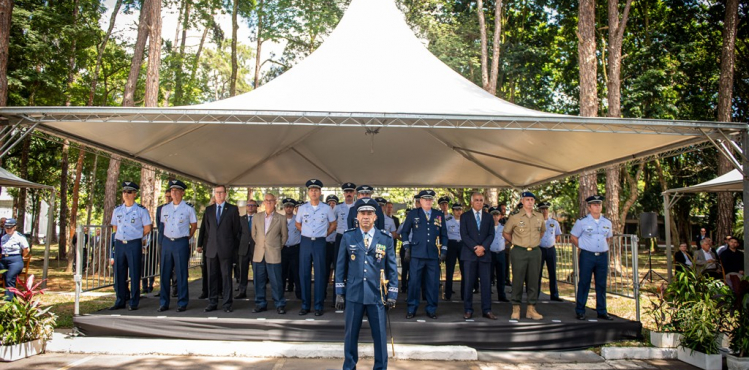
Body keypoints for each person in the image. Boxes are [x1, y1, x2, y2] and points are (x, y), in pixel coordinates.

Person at [335, 198, 398, 370]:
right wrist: (340, 291)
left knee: (379, 336)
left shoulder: (385, 238)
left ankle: (380, 367)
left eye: (369, 213)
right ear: (357, 216)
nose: (366, 217)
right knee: (350, 336)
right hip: (353, 294)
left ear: (375, 217)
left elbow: (392, 268)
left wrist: (392, 294)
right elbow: (340, 266)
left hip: (377, 295)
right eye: (362, 213)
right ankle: (349, 366)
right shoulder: (348, 236)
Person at [400, 189, 447, 319]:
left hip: (432, 255)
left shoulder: (439, 215)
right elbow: (404, 232)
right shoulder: (413, 214)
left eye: (430, 199)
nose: (428, 201)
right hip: (416, 254)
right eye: (425, 199)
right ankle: (411, 308)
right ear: (420, 201)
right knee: (414, 283)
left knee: (432, 283)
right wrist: (407, 247)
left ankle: (431, 309)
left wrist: (444, 251)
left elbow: (444, 235)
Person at [295, 179, 337, 316]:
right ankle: (305, 305)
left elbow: (333, 224)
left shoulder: (326, 208)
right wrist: (305, 232)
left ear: (320, 192)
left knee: (320, 274)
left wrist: (325, 234)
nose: (314, 192)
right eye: (311, 190)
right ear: (308, 192)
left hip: (320, 242)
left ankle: (319, 306)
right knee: (304, 273)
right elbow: (297, 224)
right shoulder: (302, 208)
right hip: (306, 242)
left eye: (316, 190)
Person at [198, 185, 242, 313]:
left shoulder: (232, 209)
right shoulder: (209, 210)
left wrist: (229, 244)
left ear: (225, 194)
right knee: (212, 277)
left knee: (226, 277)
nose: (219, 194)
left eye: (221, 192)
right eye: (217, 192)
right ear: (214, 194)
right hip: (211, 250)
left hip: (226, 249)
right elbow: (207, 230)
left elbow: (236, 230)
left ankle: (227, 304)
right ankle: (212, 302)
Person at [109, 181, 152, 311]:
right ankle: (120, 299)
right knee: (119, 273)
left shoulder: (141, 210)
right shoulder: (117, 210)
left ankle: (134, 301)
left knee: (134, 273)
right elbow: (115, 226)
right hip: (120, 244)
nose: (126, 194)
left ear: (134, 194)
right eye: (124, 192)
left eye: (129, 192)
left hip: (134, 243)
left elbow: (147, 227)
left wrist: (137, 235)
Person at [503, 191, 545, 321]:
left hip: (535, 251)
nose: (530, 202)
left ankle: (531, 309)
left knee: (533, 280)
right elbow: (506, 233)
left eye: (532, 200)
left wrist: (533, 242)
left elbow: (542, 231)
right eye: (527, 200)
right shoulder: (515, 217)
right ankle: (516, 308)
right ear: (522, 201)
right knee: (518, 279)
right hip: (519, 251)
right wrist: (516, 242)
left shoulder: (539, 216)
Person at [571, 194, 613, 321]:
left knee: (601, 284)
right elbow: (573, 237)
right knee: (584, 282)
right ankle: (580, 310)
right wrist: (583, 246)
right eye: (595, 205)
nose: (597, 207)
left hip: (602, 256)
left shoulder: (607, 222)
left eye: (599, 204)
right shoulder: (582, 222)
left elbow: (608, 237)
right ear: (589, 207)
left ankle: (602, 311)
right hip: (587, 255)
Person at [157, 180, 198, 312]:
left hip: (181, 242)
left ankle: (182, 302)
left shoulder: (188, 208)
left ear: (182, 192)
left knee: (181, 273)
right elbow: (163, 225)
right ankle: (164, 302)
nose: (173, 193)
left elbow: (194, 226)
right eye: (172, 190)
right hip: (167, 242)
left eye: (176, 190)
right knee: (164, 273)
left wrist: (187, 236)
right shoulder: (165, 208)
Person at [459, 192, 496, 319]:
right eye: (476, 200)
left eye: (481, 200)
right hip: (469, 255)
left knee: (486, 284)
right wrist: (475, 248)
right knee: (468, 283)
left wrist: (483, 247)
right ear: (471, 202)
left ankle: (487, 310)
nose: (479, 202)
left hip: (484, 255)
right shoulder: (465, 216)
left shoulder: (488, 217)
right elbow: (464, 235)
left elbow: (491, 234)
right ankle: (468, 309)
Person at [251, 193, 289, 314]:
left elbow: (284, 236)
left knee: (276, 281)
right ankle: (260, 303)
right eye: (266, 200)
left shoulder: (281, 218)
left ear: (275, 202)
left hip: (274, 254)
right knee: (259, 281)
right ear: (263, 202)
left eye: (271, 201)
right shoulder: (256, 217)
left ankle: (279, 304)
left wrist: (277, 247)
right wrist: (261, 244)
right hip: (259, 254)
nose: (268, 203)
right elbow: (254, 234)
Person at [538, 201, 562, 301]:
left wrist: (553, 243)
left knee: (552, 272)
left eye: (546, 209)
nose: (545, 211)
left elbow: (557, 235)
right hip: (540, 249)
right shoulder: (536, 222)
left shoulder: (554, 222)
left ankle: (554, 295)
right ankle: (535, 295)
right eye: (542, 209)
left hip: (551, 249)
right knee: (537, 273)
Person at [0, 218, 29, 301]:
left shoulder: (19, 237)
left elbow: (26, 249)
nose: (8, 229)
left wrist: (20, 256)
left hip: (15, 260)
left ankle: (8, 300)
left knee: (10, 278)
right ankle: (14, 299)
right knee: (6, 279)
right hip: (4, 259)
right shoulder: (3, 237)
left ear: (15, 227)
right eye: (6, 227)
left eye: (10, 227)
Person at [236, 199, 258, 299]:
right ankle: (242, 291)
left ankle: (258, 291)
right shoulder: (241, 219)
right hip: (243, 248)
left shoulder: (259, 218)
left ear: (256, 207)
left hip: (256, 248)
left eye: (252, 205)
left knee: (257, 271)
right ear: (246, 207)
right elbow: (237, 233)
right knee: (242, 271)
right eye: (248, 205)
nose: (250, 207)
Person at [281, 198, 301, 298]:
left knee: (296, 272)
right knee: (282, 272)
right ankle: (280, 293)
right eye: (286, 206)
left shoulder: (298, 219)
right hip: (283, 249)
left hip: (295, 248)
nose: (288, 208)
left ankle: (299, 293)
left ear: (293, 208)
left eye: (290, 207)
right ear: (284, 208)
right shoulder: (280, 219)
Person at [488, 207, 508, 302]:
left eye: (497, 215)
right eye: (493, 215)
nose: (495, 217)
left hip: (500, 253)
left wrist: (502, 246)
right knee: (489, 275)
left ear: (500, 216)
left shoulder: (504, 228)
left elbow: (508, 239)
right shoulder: (487, 227)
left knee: (501, 275)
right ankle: (487, 295)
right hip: (490, 253)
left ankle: (501, 295)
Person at [444, 203, 463, 301]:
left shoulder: (465, 220)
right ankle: (448, 293)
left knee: (464, 270)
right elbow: (445, 233)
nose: (458, 212)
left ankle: (464, 294)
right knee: (450, 269)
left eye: (460, 209)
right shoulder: (448, 220)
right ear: (453, 211)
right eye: (456, 210)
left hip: (462, 245)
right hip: (451, 244)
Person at [325, 194, 340, 294]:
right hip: (325, 244)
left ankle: (337, 294)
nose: (331, 205)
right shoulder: (323, 215)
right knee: (324, 269)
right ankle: (323, 293)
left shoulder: (340, 216)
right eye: (329, 203)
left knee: (338, 269)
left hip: (336, 244)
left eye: (333, 203)